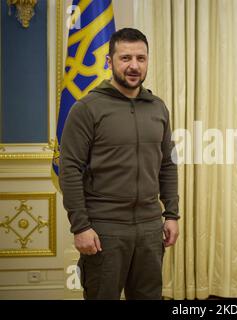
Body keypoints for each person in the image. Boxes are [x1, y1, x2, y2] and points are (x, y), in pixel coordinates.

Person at [59, 28, 179, 300]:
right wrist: (80, 226)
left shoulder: (158, 108)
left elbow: (168, 165)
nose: (134, 66)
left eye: (141, 58)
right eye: (125, 58)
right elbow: (69, 170)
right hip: (104, 230)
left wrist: (171, 214)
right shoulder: (86, 108)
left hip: (150, 227)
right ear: (109, 61)